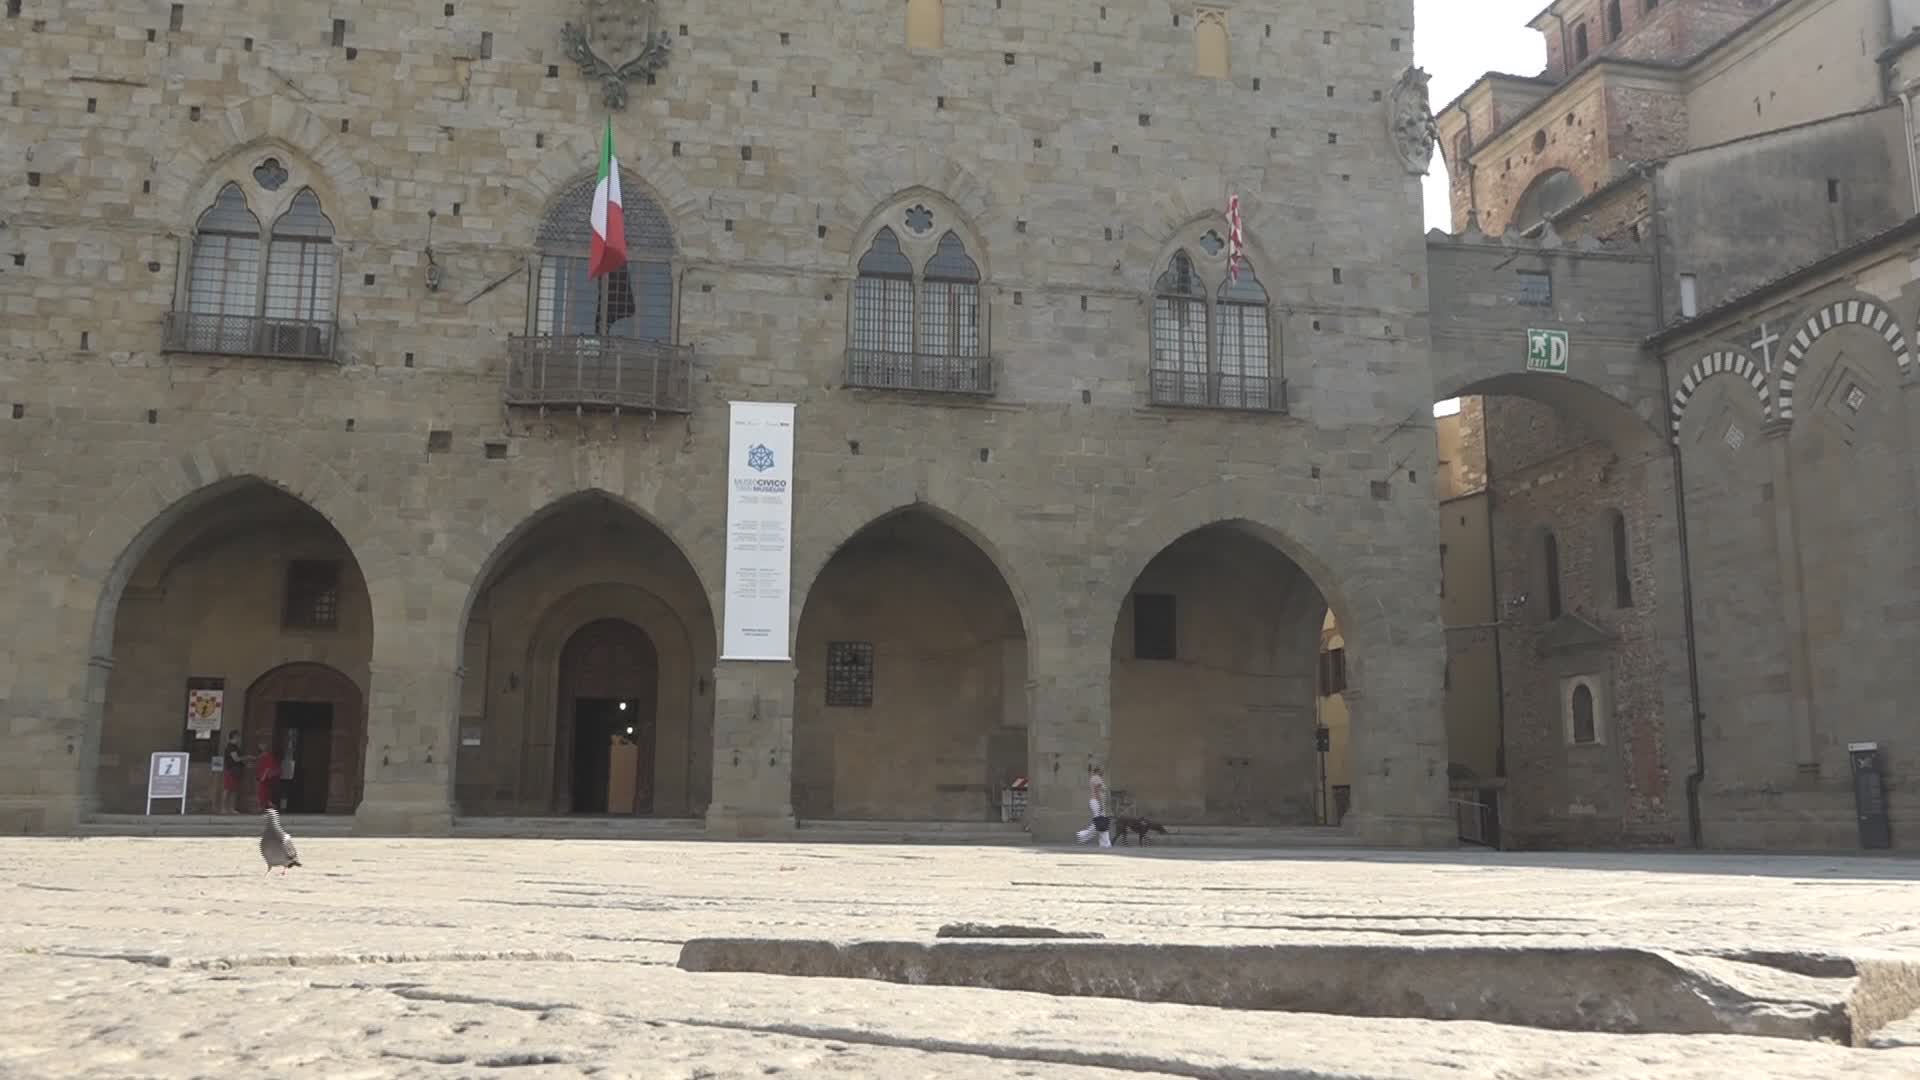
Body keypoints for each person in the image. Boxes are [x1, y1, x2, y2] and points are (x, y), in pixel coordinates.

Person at [1076, 764, 1113, 848]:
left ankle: (1104, 843)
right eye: (1102, 770)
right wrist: (1100, 804)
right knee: (1100, 822)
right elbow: (1097, 791)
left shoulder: (1096, 778)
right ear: (1098, 770)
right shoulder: (1096, 778)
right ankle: (1083, 835)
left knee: (1102, 822)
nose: (1103, 771)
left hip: (1097, 802)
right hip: (1097, 802)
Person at [217, 731, 247, 815]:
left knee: (234, 790)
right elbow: (236, 759)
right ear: (234, 737)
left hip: (236, 771)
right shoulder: (230, 747)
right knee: (227, 789)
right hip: (231, 770)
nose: (239, 739)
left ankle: (231, 808)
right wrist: (246, 758)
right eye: (238, 737)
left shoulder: (235, 747)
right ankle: (223, 808)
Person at [253, 740, 280, 814]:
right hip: (261, 776)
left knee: (262, 793)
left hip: (265, 778)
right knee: (262, 794)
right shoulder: (261, 756)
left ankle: (263, 808)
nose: (261, 746)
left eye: (263, 745)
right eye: (260, 745)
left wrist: (263, 777)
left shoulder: (268, 756)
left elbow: (268, 768)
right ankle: (270, 806)